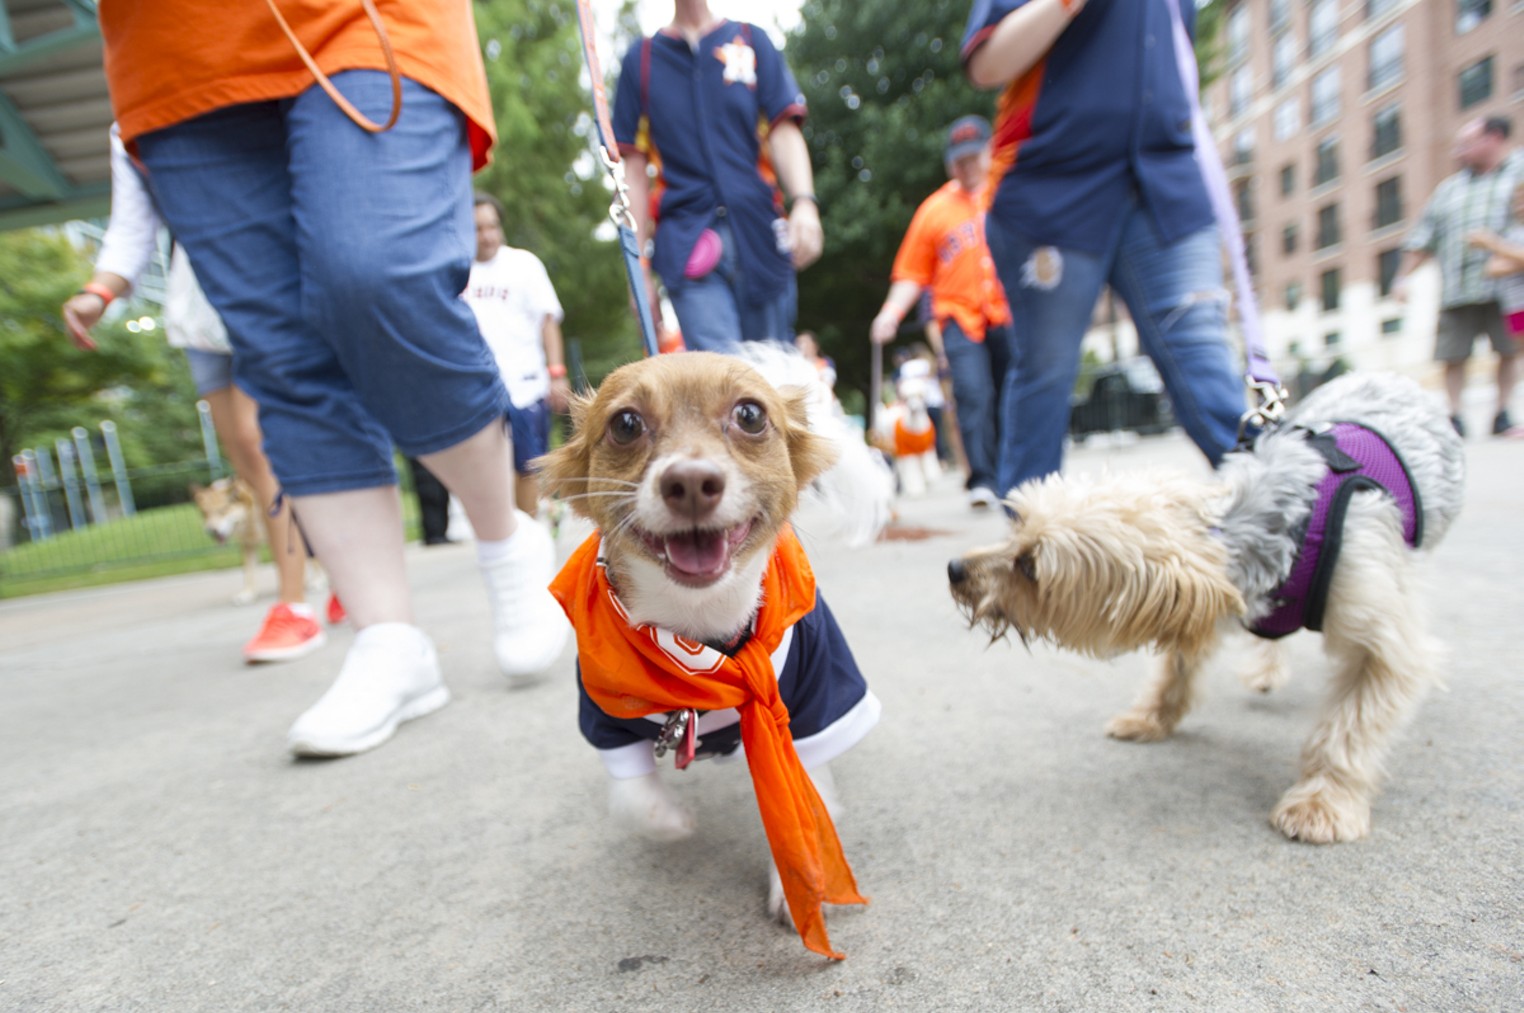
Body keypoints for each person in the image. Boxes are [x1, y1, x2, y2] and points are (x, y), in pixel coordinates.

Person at [96, 0, 569, 757]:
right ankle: (390, 640)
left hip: (359, 18)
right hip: (176, 49)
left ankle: (503, 538)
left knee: (378, 274)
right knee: (279, 349)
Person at [62, 125, 333, 664]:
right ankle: (313, 590)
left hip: (275, 282)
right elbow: (132, 223)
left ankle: (297, 600)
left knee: (272, 443)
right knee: (244, 451)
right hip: (200, 303)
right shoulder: (129, 126)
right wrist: (101, 290)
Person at [961, 0, 1248, 498]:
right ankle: (1029, 552)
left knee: (1203, 351)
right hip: (1054, 189)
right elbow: (987, 64)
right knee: (1047, 370)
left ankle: (1278, 509)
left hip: (1165, 182)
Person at [611, 0, 823, 351]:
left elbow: (784, 130)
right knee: (718, 379)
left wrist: (805, 203)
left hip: (760, 232)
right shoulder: (643, 60)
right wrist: (639, 268)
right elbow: (633, 170)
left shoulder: (751, 41)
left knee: (773, 371)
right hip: (686, 239)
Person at [870, 116, 1013, 509]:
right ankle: (981, 478)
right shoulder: (933, 210)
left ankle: (1014, 472)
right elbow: (912, 272)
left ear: (988, 153)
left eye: (973, 157)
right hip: (959, 319)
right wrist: (890, 313)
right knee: (971, 392)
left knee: (1012, 391)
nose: (966, 166)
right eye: (958, 160)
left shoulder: (1009, 191)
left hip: (1009, 311)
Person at [1396, 117, 1523, 436]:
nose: (1458, 152)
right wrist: (1402, 277)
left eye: (1465, 144)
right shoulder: (1450, 188)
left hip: (1508, 287)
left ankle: (1502, 412)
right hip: (1457, 286)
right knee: (1453, 353)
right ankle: (1454, 415)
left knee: (1508, 350)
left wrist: (1496, 246)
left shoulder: (1520, 171)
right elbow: (1425, 235)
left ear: (1494, 138)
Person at [464, 193, 571, 516]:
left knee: (527, 466)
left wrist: (557, 372)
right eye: (478, 229)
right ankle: (511, 533)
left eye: (493, 226)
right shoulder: (456, 270)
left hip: (525, 382)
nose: (488, 235)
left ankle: (528, 529)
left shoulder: (523, 264)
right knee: (490, 471)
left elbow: (548, 322)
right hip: (477, 388)